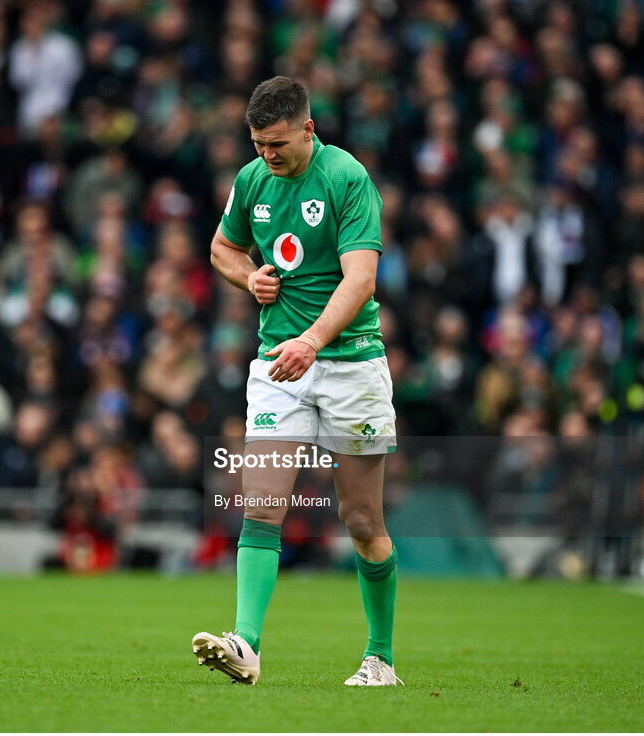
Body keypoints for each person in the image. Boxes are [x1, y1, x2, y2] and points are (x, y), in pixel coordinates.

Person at [191, 77, 401, 686]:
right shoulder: (252, 179)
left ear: (308, 129)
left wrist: (313, 341)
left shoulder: (346, 178)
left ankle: (380, 658)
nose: (267, 155)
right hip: (278, 364)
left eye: (277, 144)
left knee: (362, 521)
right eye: (257, 144)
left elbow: (361, 279)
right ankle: (246, 644)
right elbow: (222, 249)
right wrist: (248, 276)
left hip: (350, 363)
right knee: (260, 505)